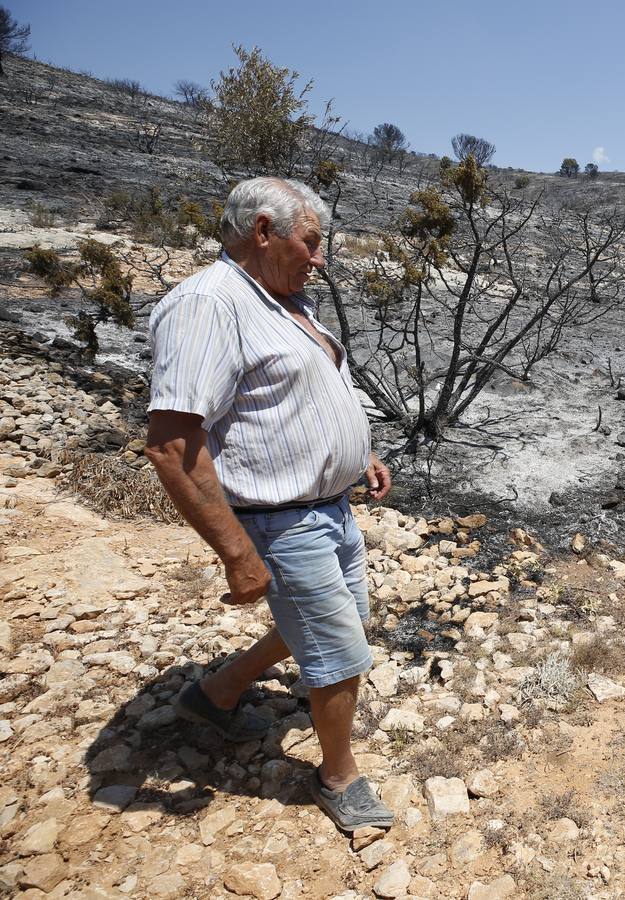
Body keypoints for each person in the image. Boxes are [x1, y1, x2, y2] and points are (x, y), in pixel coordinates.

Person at [143, 177, 394, 833]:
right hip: (280, 520)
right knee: (339, 653)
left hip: (329, 508)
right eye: (310, 244)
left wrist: (357, 452)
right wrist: (237, 553)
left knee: (340, 621)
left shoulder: (285, 302)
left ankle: (216, 693)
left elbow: (299, 395)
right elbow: (173, 444)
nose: (319, 259)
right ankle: (338, 776)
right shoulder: (208, 305)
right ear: (262, 231)